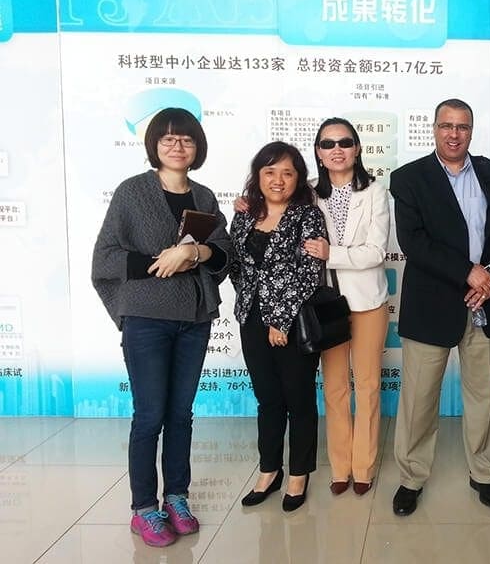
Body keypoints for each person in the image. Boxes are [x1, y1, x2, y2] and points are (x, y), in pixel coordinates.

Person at [92, 108, 232, 547]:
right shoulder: (132, 192)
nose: (177, 146)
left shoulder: (205, 197)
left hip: (193, 319)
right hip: (147, 319)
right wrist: (161, 263)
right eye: (168, 139)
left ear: (198, 148)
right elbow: (106, 257)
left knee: (180, 414)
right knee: (150, 415)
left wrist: (192, 256)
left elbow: (223, 251)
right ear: (154, 144)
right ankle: (144, 509)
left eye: (186, 140)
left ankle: (176, 496)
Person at [390, 98, 490, 517]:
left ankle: (483, 473)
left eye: (462, 126)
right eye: (446, 125)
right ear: (434, 128)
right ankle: (411, 477)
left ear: (471, 130)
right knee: (419, 399)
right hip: (432, 306)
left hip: (485, 301)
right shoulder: (409, 179)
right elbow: (414, 242)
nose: (453, 134)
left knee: (482, 395)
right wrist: (469, 272)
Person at [230, 141, 326, 513]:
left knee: (298, 400)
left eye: (287, 172)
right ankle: (269, 470)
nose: (278, 179)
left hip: (291, 321)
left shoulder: (307, 215)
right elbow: (238, 267)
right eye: (270, 171)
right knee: (267, 399)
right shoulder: (244, 213)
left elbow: (307, 272)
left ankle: (299, 474)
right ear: (258, 175)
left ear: (298, 178)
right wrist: (254, 307)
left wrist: (279, 317)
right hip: (250, 318)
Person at [306, 118, 390, 497]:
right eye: (327, 143)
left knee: (369, 386)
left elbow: (375, 252)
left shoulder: (375, 192)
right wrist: (247, 203)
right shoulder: (306, 194)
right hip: (326, 304)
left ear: (357, 149)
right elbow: (271, 207)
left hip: (368, 301)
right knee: (335, 388)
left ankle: (363, 465)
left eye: (344, 142)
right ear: (319, 154)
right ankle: (340, 466)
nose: (336, 149)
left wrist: (331, 254)